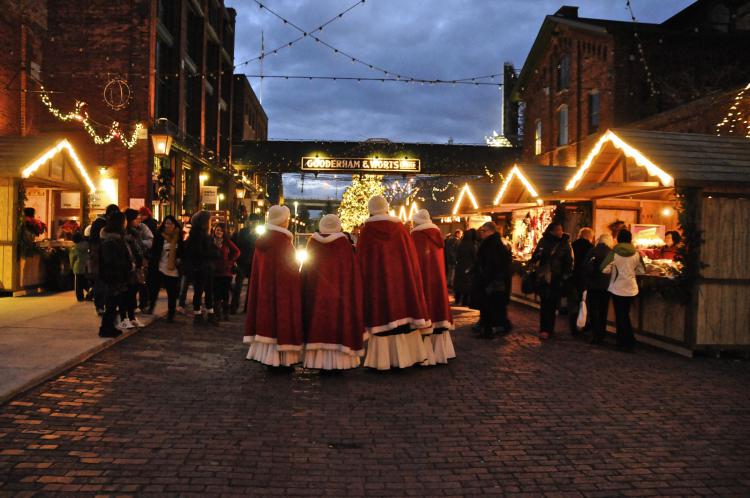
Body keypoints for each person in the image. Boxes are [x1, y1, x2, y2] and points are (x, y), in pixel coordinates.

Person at [357, 195, 430, 370]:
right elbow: (410, 258)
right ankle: (409, 357)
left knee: (381, 318)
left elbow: (362, 261)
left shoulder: (367, 231)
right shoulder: (400, 229)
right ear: (386, 207)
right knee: (403, 320)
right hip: (401, 285)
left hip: (377, 286)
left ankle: (381, 361)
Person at [302, 214, 366, 370]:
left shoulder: (312, 242)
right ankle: (339, 363)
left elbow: (306, 271)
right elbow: (352, 273)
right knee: (339, 326)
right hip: (339, 296)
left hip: (317, 295)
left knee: (317, 324)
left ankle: (317, 362)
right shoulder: (343, 245)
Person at [244, 205, 304, 367]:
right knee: (281, 322)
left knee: (267, 321)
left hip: (265, 290)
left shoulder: (263, 241)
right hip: (282, 291)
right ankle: (281, 360)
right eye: (287, 219)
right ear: (282, 220)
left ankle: (267, 357)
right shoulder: (283, 242)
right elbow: (290, 268)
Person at [411, 209, 455, 365]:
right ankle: (442, 352)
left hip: (422, 280)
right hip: (438, 280)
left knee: (426, 311)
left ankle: (424, 354)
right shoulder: (437, 236)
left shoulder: (416, 236)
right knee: (438, 309)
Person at [601, 229, 645, 352]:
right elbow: (642, 270)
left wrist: (612, 270)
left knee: (620, 315)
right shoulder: (636, 253)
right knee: (625, 314)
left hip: (617, 288)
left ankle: (624, 342)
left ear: (618, 239)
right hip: (631, 288)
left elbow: (603, 268)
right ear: (630, 239)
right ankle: (628, 341)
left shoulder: (614, 253)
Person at [530, 222, 573, 340]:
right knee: (545, 304)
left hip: (557, 278)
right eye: (558, 229)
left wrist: (565, 276)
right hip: (544, 277)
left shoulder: (565, 243)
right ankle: (544, 329)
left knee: (553, 304)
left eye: (561, 229)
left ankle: (549, 328)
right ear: (551, 231)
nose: (560, 232)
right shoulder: (543, 241)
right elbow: (534, 258)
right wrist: (538, 255)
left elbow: (569, 262)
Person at [474, 221, 513, 338]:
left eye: (484, 231)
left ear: (491, 231)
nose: (482, 233)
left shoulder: (492, 244)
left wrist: (486, 278)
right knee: (493, 307)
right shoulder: (492, 243)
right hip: (492, 281)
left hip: (492, 281)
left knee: (490, 307)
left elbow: (493, 264)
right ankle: (491, 328)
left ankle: (491, 330)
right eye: (481, 231)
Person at [183, 210, 220, 325]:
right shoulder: (197, 235)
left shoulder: (204, 234)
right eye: (209, 220)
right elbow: (198, 252)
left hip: (206, 267)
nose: (211, 222)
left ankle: (209, 313)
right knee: (199, 291)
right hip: (200, 268)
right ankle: (198, 314)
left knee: (208, 291)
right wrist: (213, 253)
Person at [97, 211, 129, 338]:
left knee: (113, 302)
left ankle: (109, 327)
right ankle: (106, 328)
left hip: (115, 275)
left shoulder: (116, 239)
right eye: (124, 221)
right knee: (111, 303)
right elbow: (111, 261)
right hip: (112, 276)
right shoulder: (111, 241)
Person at [148, 216, 184, 322]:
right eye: (166, 223)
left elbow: (182, 251)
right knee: (154, 289)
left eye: (171, 223)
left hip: (173, 269)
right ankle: (151, 306)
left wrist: (179, 258)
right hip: (160, 267)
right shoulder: (159, 235)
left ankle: (171, 313)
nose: (168, 225)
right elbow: (154, 251)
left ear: (175, 225)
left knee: (172, 293)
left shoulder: (179, 236)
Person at [582, 233, 614, 345]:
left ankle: (595, 335)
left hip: (593, 285)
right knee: (603, 310)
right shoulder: (611, 252)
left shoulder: (593, 251)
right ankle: (602, 334)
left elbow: (585, 266)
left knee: (594, 310)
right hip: (606, 285)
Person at [89, 204, 120, 314]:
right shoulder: (101, 223)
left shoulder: (99, 222)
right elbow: (94, 241)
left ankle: (104, 305)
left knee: (104, 283)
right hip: (101, 257)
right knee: (101, 282)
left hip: (103, 257)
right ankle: (100, 306)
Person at [121, 209, 148, 329]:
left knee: (133, 292)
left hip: (137, 265)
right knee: (127, 293)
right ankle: (125, 318)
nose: (139, 221)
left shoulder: (136, 232)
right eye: (136, 219)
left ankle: (131, 317)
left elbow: (139, 248)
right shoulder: (125, 235)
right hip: (128, 267)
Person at [568, 227, 595, 335]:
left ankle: (573, 329)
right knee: (584, 304)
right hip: (585, 280)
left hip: (573, 278)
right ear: (590, 237)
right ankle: (582, 326)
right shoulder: (591, 248)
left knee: (573, 304)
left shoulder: (572, 246)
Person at [230, 215, 259, 314]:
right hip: (242, 262)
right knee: (238, 286)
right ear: (249, 222)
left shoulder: (259, 234)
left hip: (253, 262)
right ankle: (234, 307)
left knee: (251, 288)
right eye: (253, 222)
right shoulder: (242, 232)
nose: (254, 224)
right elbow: (238, 244)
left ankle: (248, 309)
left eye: (256, 222)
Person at [212, 223, 240, 321]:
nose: (218, 232)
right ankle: (217, 313)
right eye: (217, 230)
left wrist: (230, 262)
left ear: (224, 232)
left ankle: (225, 312)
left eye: (220, 230)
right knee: (216, 293)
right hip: (215, 272)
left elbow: (237, 252)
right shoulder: (211, 241)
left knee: (225, 293)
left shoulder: (227, 242)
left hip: (226, 272)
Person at [453, 228, 478, 306]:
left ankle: (457, 299)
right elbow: (474, 257)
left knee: (458, 283)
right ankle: (464, 301)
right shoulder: (472, 245)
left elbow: (456, 255)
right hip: (468, 267)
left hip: (459, 266)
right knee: (467, 285)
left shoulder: (460, 244)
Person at [69, 231, 90, 302]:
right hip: (87, 266)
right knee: (86, 281)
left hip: (78, 267)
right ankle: (91, 292)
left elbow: (72, 258)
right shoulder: (87, 245)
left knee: (78, 285)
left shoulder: (74, 248)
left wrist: (72, 266)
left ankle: (80, 297)